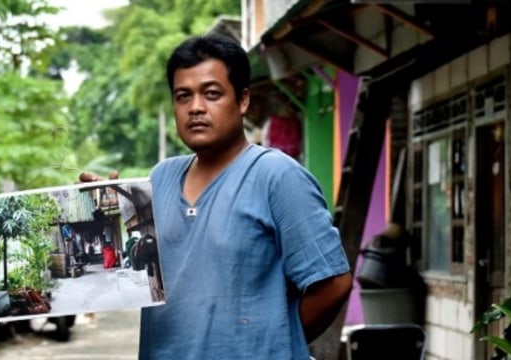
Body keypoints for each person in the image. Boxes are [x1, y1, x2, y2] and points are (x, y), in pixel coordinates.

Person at [79, 34, 353, 359]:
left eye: (211, 94)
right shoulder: (160, 178)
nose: (196, 107)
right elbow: (130, 276)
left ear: (243, 100)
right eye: (183, 96)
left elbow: (334, 284)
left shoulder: (277, 177)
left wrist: (270, 344)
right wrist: (101, 213)